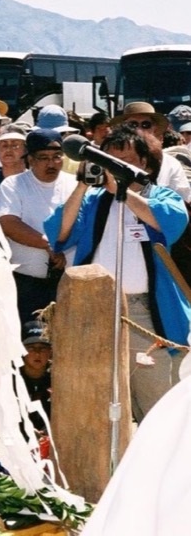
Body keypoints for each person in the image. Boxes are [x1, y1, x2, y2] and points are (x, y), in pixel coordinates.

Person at [44, 126, 190, 423]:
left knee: (154, 397)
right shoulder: (94, 200)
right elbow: (59, 234)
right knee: (100, 396)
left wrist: (124, 192)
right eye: (109, 161)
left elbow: (170, 223)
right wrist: (82, 185)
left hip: (143, 311)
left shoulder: (161, 196)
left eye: (125, 161)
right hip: (94, 308)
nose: (115, 168)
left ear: (145, 163)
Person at [0, 129, 76, 325]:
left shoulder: (74, 184)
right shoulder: (14, 184)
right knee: (31, 339)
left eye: (57, 157)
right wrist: (49, 245)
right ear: (30, 159)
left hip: (69, 282)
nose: (51, 163)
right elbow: (8, 223)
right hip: (27, 285)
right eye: (44, 158)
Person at [18, 320, 52, 432]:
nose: (37, 353)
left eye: (43, 348)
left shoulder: (57, 380)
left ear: (50, 351)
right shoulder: (12, 380)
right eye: (31, 348)